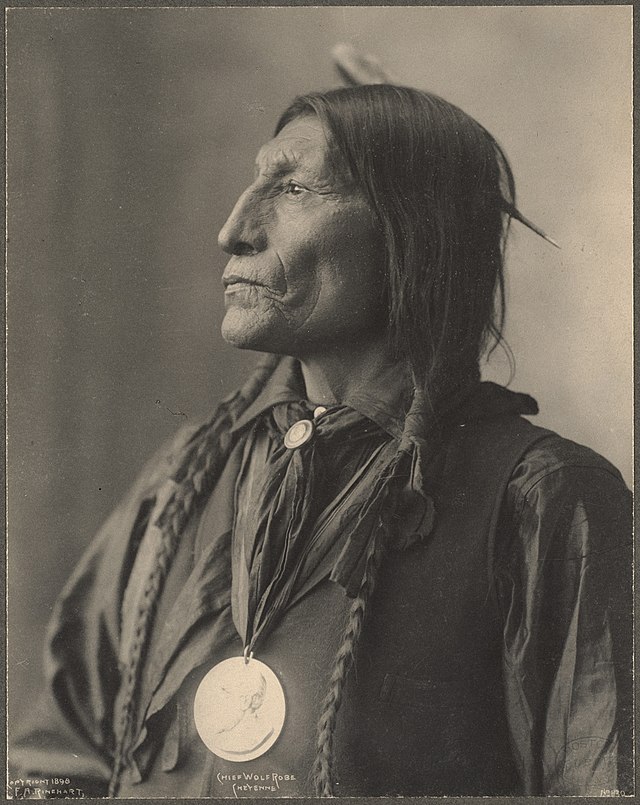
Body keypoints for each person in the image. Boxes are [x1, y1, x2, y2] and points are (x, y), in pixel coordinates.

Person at [11, 82, 632, 799]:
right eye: (257, 184)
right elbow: (56, 760)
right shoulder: (187, 480)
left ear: (413, 232)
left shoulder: (546, 500)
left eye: (296, 188)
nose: (235, 228)